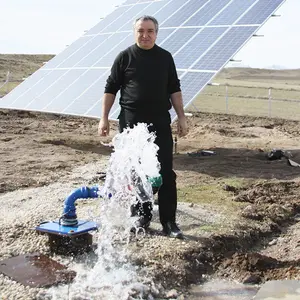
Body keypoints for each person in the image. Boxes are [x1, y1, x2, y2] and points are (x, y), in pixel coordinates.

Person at [98, 15, 188, 238]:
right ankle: (142, 216)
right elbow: (110, 89)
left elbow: (174, 89)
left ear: (156, 33)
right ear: (135, 32)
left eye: (150, 31)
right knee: (136, 173)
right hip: (131, 122)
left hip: (159, 121)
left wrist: (182, 117)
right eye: (141, 31)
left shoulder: (165, 58)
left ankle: (169, 222)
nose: (145, 35)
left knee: (166, 172)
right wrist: (104, 118)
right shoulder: (125, 57)